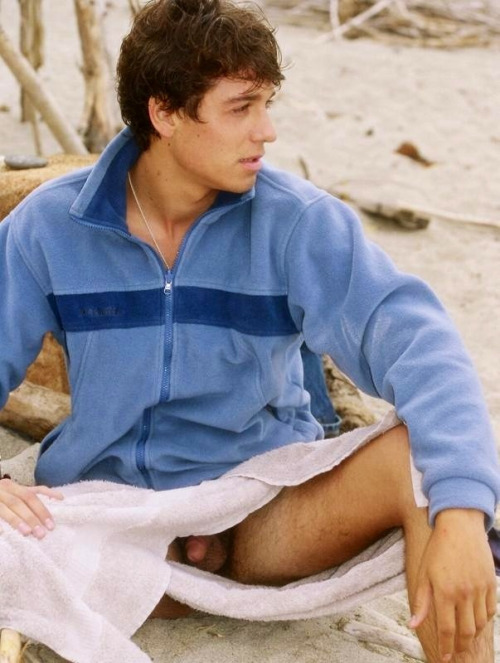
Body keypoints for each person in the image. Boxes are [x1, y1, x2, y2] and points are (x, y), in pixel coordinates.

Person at [0, 1, 498, 660]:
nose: (266, 131)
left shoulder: (298, 223)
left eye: (267, 104)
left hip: (263, 509)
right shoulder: (48, 227)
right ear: (165, 114)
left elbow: (419, 343)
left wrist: (464, 512)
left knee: (431, 471)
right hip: (110, 514)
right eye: (241, 108)